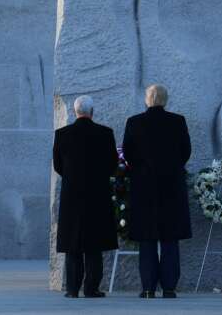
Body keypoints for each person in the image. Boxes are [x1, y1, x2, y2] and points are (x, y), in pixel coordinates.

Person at [122, 84, 192, 299]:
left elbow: (128, 153)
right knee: (170, 239)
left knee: (147, 238)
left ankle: (148, 287)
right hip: (171, 186)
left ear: (147, 100)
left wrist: (142, 171)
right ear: (165, 100)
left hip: (144, 188)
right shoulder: (178, 121)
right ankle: (169, 287)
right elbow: (185, 152)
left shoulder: (134, 122)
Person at [53, 95, 119, 299]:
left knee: (73, 245)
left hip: (72, 194)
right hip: (97, 194)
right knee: (94, 245)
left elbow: (58, 165)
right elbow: (112, 165)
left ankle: (72, 289)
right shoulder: (105, 133)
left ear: (75, 111)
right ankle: (91, 288)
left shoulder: (62, 134)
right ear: (92, 111)